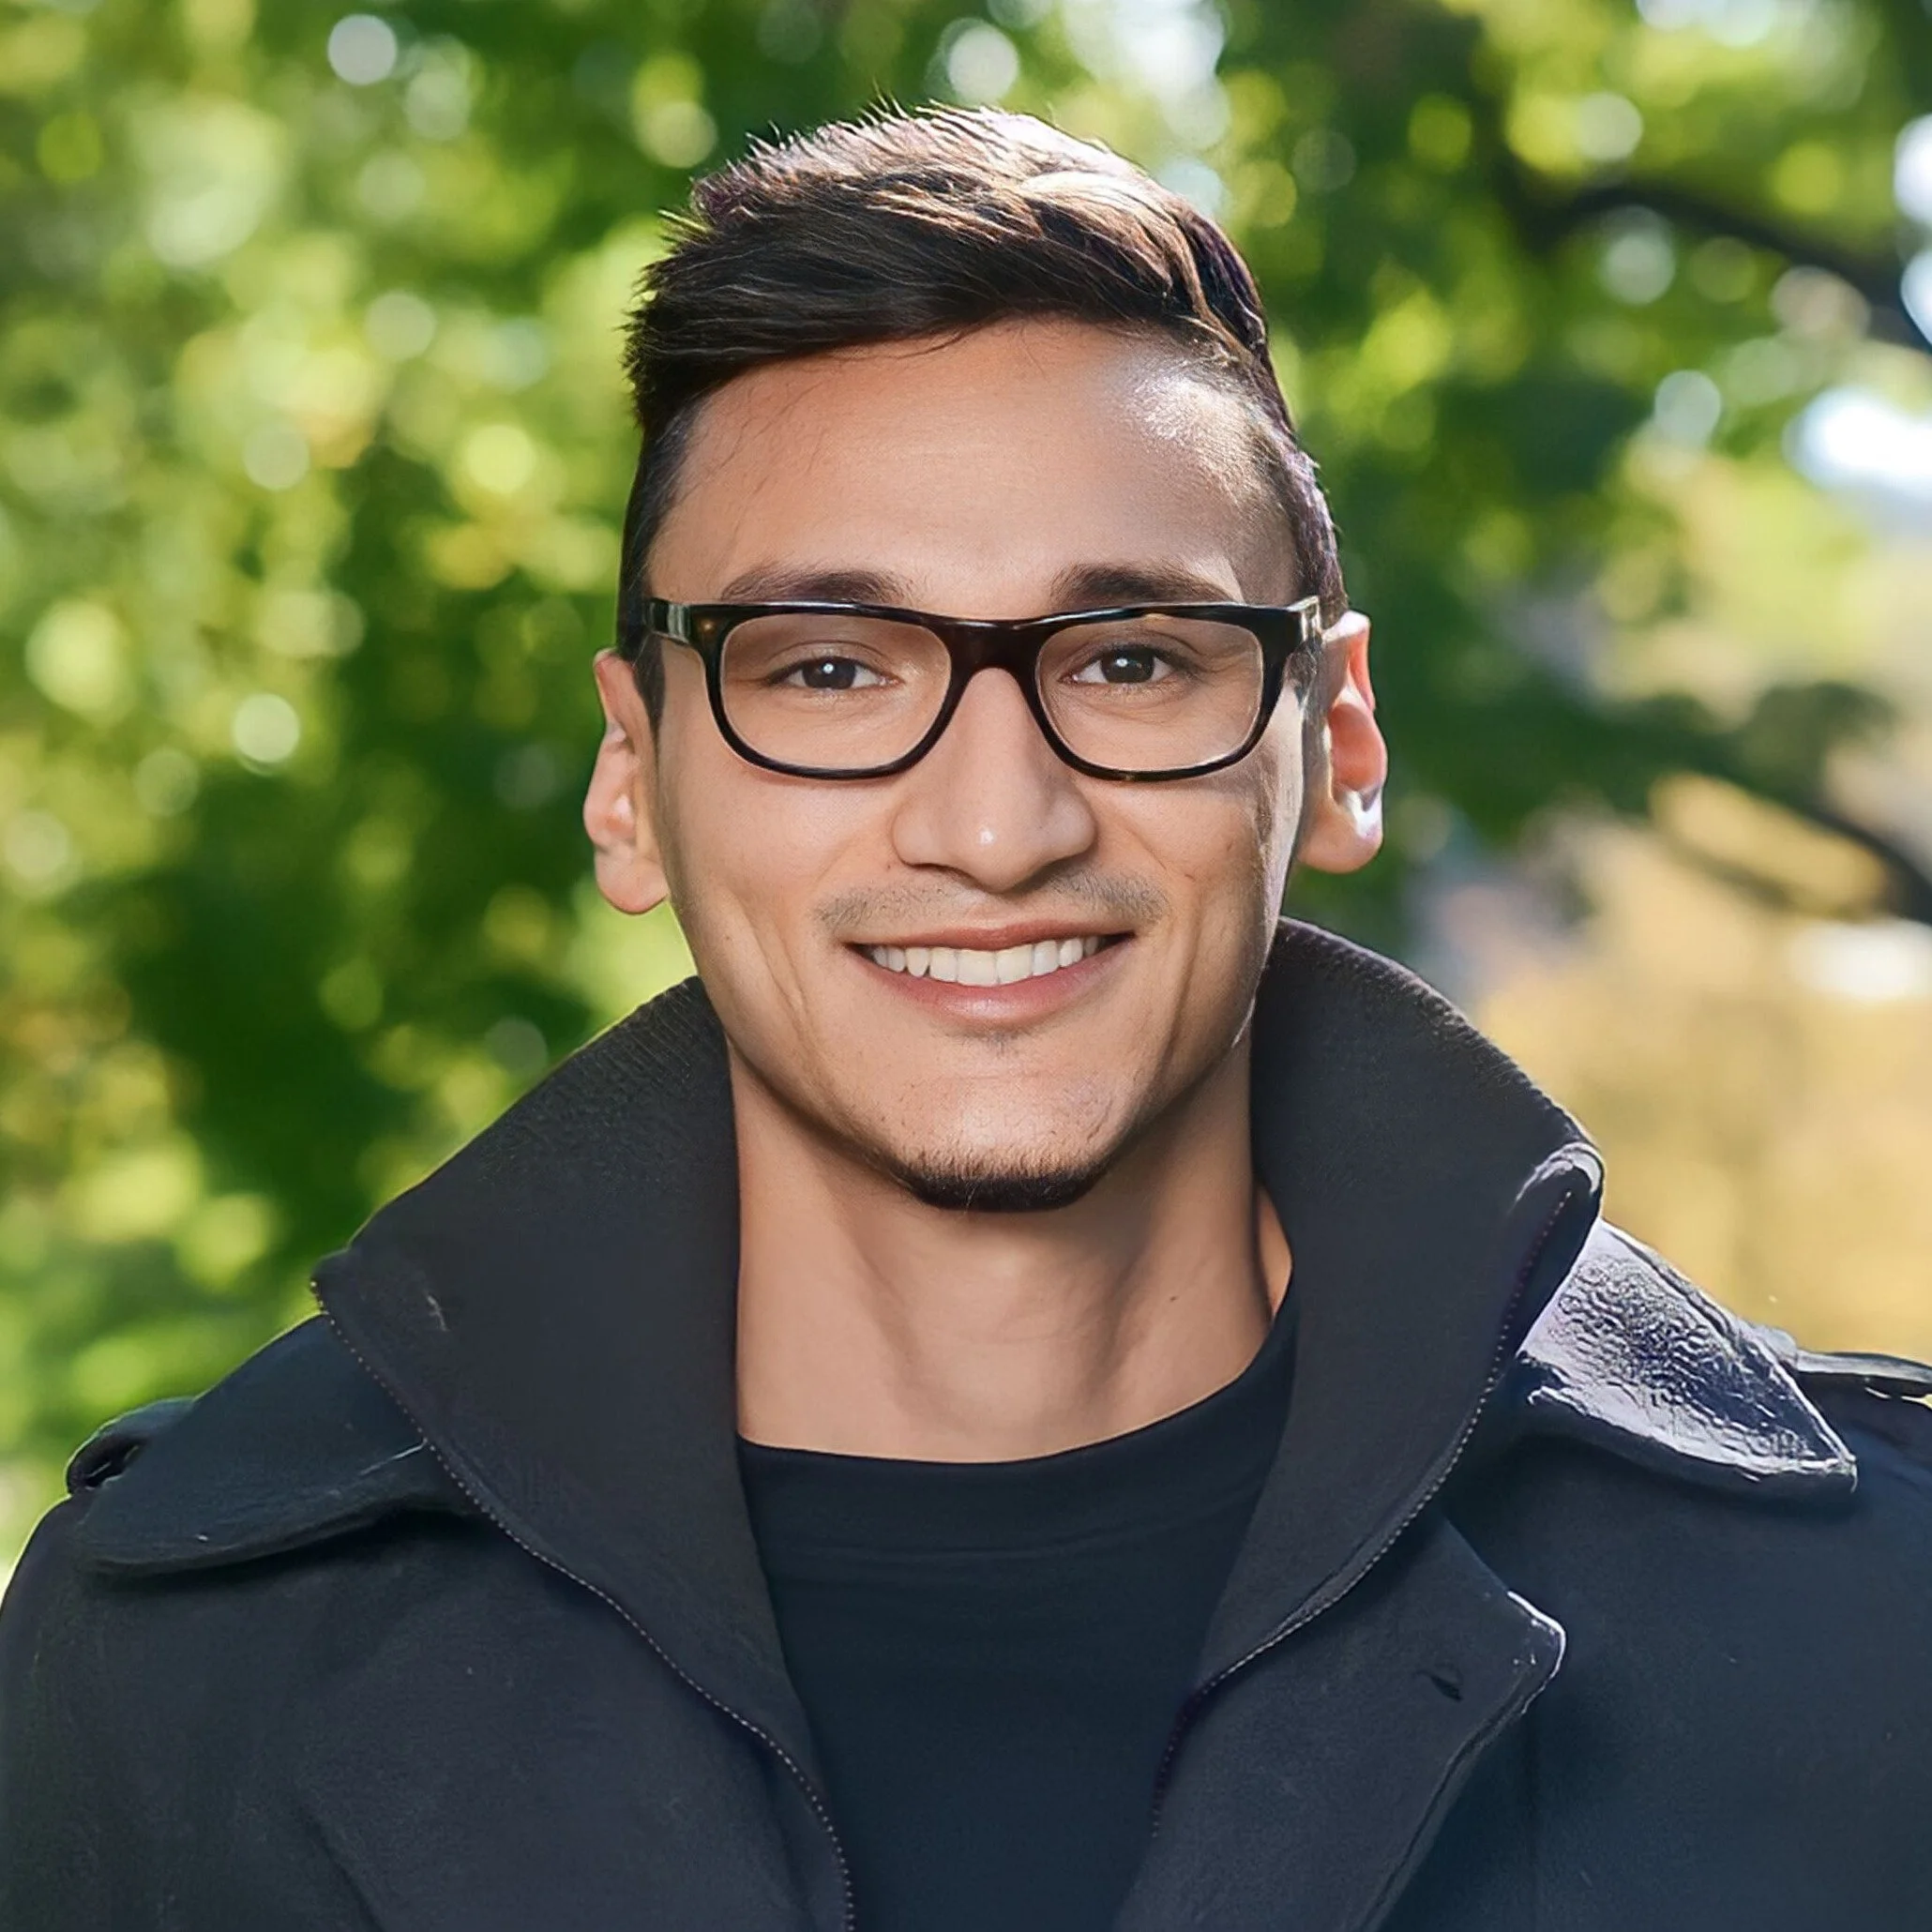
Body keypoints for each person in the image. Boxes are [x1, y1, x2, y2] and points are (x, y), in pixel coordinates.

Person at [4, 106, 1930, 1932]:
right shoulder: (167, 1666)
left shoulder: (1872, 1629)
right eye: (829, 667)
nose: (996, 823)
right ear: (631, 777)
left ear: (1334, 746)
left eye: (1134, 657)